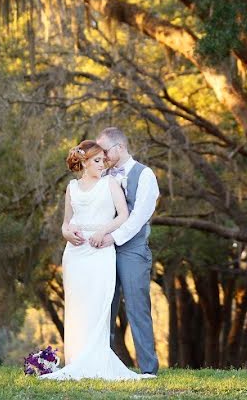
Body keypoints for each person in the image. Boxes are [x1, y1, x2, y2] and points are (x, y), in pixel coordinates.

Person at [40, 140, 150, 381]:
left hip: (100, 250)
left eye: (103, 160)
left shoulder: (110, 184)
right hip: (75, 253)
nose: (103, 165)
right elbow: (66, 222)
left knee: (98, 304)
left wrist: (103, 231)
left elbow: (123, 215)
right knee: (77, 307)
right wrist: (66, 233)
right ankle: (77, 360)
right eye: (97, 161)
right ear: (85, 162)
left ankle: (97, 359)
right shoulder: (72, 187)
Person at [93, 127, 160, 375]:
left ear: (120, 148)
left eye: (106, 151)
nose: (103, 156)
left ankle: (148, 370)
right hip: (104, 251)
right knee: (104, 307)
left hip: (133, 251)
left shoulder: (145, 175)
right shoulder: (103, 176)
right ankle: (101, 366)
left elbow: (139, 216)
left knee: (137, 307)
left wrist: (112, 237)